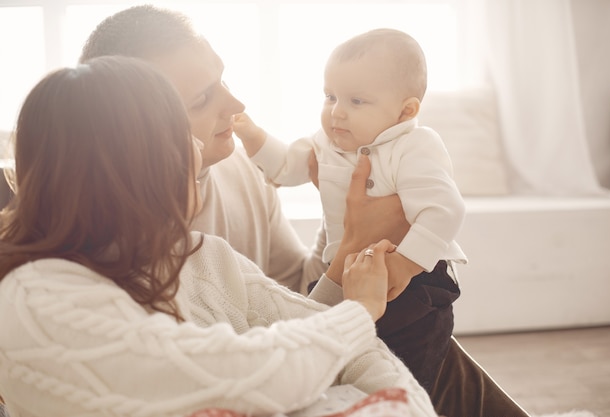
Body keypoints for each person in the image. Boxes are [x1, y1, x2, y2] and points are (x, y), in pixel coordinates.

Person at [78, 5, 531, 417]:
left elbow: (297, 286)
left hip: (327, 326)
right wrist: (355, 243)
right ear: (135, 125)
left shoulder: (242, 166)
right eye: (202, 99)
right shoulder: (128, 235)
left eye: (224, 82)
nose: (236, 106)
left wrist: (341, 212)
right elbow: (258, 363)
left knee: (427, 342)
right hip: (283, 374)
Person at [0, 55, 437, 417]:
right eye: (183, 120)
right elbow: (243, 372)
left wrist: (341, 223)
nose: (193, 147)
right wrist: (359, 309)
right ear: (131, 162)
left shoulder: (202, 254)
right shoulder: (38, 297)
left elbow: (325, 327)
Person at [234, 29, 467, 392]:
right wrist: (252, 135)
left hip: (412, 284)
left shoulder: (415, 146)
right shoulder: (326, 143)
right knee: (347, 368)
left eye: (357, 101)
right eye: (330, 96)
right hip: (342, 274)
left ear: (406, 111)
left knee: (405, 374)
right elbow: (285, 167)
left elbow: (445, 210)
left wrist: (404, 264)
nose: (337, 112)